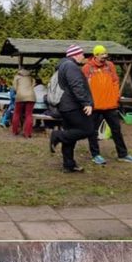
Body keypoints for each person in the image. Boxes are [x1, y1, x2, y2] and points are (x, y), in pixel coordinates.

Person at [82, 45, 132, 165]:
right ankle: (95, 155)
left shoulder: (110, 66)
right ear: (96, 55)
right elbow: (83, 87)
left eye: (105, 54)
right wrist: (87, 103)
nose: (105, 56)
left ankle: (123, 155)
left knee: (116, 130)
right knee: (93, 131)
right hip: (95, 106)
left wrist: (116, 97)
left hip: (110, 105)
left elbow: (115, 81)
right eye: (102, 54)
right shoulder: (87, 68)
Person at [49, 45, 94, 173]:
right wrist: (86, 103)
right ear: (75, 54)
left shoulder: (63, 66)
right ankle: (57, 135)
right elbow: (76, 86)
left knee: (71, 136)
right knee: (87, 129)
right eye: (82, 54)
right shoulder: (71, 66)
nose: (83, 56)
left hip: (65, 106)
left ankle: (69, 164)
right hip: (72, 106)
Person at [12, 67, 36, 138]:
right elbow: (33, 86)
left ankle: (15, 131)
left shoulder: (16, 77)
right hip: (31, 96)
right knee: (29, 115)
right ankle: (27, 133)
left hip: (20, 96)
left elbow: (15, 88)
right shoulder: (31, 77)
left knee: (16, 114)